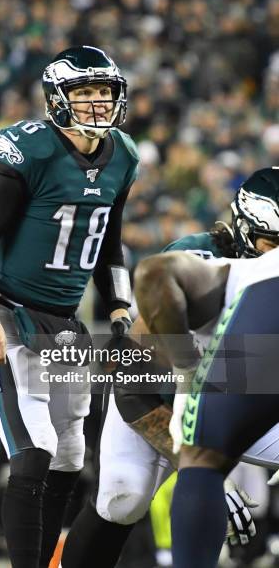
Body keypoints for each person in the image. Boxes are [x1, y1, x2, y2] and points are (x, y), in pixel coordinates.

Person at [0, 45, 138, 568]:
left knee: (70, 454)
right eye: (84, 93)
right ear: (57, 98)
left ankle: (42, 561)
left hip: (66, 325)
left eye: (103, 92)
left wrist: (119, 309)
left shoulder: (124, 155)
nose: (95, 104)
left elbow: (108, 241)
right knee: (34, 451)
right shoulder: (31, 150)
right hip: (12, 312)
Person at [62, 167, 279, 568]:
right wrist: (202, 467)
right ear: (246, 232)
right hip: (157, 400)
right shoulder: (199, 265)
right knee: (124, 496)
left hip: (236, 403)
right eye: (273, 245)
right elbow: (128, 378)